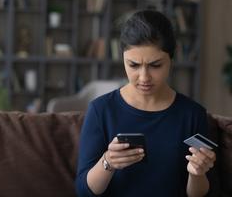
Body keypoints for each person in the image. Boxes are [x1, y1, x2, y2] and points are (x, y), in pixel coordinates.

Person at [76, 10, 216, 197]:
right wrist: (108, 162)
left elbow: (201, 195)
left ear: (171, 60)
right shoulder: (101, 110)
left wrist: (197, 174)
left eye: (155, 65)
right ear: (123, 59)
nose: (144, 77)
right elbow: (83, 193)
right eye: (133, 65)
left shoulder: (192, 114)